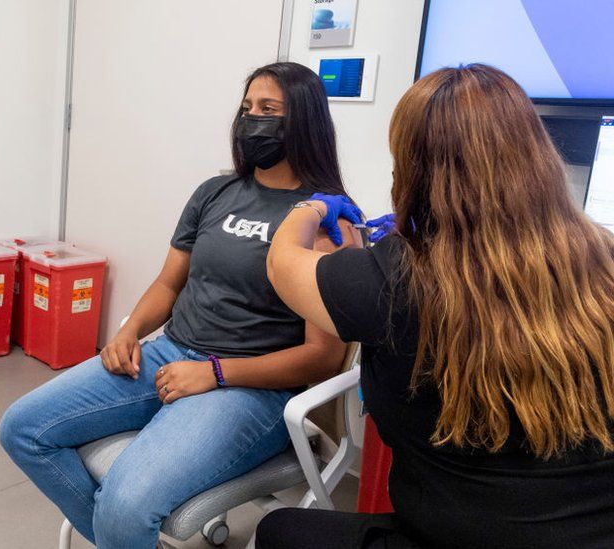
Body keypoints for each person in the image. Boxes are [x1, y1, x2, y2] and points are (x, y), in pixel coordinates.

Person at [0, 61, 361, 548]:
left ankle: (121, 531)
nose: (252, 119)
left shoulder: (325, 218)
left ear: (303, 122)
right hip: (169, 355)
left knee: (126, 507)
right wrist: (128, 333)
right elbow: (169, 285)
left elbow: (323, 357)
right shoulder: (216, 193)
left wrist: (213, 374)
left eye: (269, 110)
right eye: (247, 107)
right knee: (22, 428)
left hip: (251, 389)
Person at [260, 64, 614, 548]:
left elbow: (283, 265)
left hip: (454, 535)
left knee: (279, 530)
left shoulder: (398, 279)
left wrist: (314, 208)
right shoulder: (605, 258)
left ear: (415, 169)